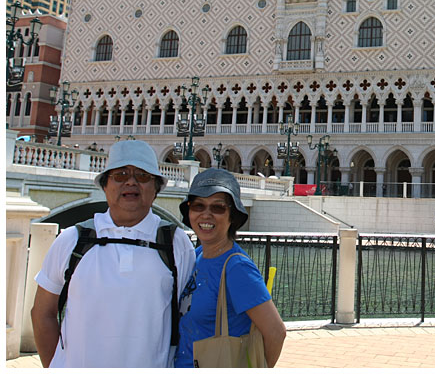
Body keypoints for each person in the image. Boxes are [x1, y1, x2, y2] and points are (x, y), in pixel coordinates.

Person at [30, 140, 195, 368]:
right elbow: (42, 313)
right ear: (105, 186)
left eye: (142, 176)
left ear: (156, 189)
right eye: (120, 175)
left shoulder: (176, 243)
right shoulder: (72, 240)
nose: (131, 182)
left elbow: (189, 318)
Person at [174, 168, 286, 368]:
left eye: (218, 208)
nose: (206, 214)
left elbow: (276, 332)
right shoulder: (197, 256)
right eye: (198, 205)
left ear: (232, 216)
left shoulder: (237, 268)